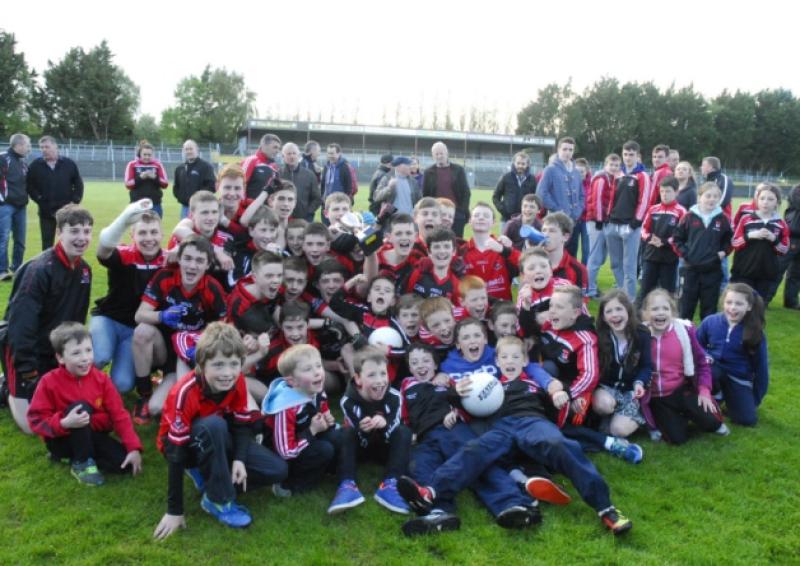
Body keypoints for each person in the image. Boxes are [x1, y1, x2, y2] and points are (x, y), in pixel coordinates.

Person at [399, 334, 634, 536]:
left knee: (560, 444)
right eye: (504, 357)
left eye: (515, 357)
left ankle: (606, 509)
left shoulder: (533, 380)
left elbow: (557, 408)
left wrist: (559, 398)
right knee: (474, 450)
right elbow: (466, 403)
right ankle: (431, 491)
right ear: (497, 361)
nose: (510, 361)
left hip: (532, 422)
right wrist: (455, 402)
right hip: (501, 428)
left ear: (524, 360)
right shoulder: (489, 384)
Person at [153, 322, 288, 538]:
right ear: (201, 364)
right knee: (213, 425)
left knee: (277, 470)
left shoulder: (238, 381)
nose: (227, 373)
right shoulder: (184, 392)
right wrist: (174, 511)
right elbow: (174, 452)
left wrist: (240, 460)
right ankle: (217, 499)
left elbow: (242, 424)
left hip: (219, 436)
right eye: (218, 365)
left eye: (234, 364)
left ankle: (212, 479)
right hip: (184, 448)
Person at [397, 342, 538, 536]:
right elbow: (403, 414)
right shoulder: (406, 386)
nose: (421, 366)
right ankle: (439, 513)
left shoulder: (448, 383)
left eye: (426, 361)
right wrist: (409, 431)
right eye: (414, 362)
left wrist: (455, 410)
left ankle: (512, 504)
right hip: (423, 437)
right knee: (421, 467)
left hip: (451, 428)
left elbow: (467, 400)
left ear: (435, 364)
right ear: (410, 367)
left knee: (473, 460)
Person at [2, 205, 93, 433]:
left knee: (62, 404)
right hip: (22, 349)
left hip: (53, 351)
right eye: (74, 231)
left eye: (86, 231)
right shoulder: (39, 270)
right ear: (59, 233)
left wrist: (72, 356)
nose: (81, 238)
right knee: (32, 427)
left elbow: (76, 322)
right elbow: (21, 325)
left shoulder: (85, 271)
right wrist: (28, 369)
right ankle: (5, 386)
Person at [27, 322, 143, 486]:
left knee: (124, 465)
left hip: (92, 434)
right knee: (81, 407)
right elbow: (35, 419)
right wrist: (63, 423)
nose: (85, 358)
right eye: (76, 353)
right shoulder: (48, 382)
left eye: (88, 350)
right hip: (62, 440)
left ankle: (78, 458)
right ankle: (81, 463)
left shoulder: (102, 379)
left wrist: (133, 448)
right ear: (60, 357)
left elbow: (119, 415)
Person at [132, 235, 227, 425]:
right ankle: (144, 393)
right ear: (180, 259)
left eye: (199, 261)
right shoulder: (165, 276)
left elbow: (224, 326)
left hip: (188, 353)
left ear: (208, 265)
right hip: (164, 348)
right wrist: (162, 315)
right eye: (188, 259)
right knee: (142, 331)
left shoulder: (212, 288)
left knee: (156, 408)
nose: (192, 266)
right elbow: (139, 315)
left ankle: (173, 387)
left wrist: (202, 340)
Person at [91, 201, 164, 394]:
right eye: (142, 233)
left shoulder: (167, 262)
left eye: (154, 232)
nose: (149, 238)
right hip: (109, 319)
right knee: (99, 356)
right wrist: (124, 219)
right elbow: (103, 251)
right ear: (132, 236)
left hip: (134, 332)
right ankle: (67, 386)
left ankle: (107, 376)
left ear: (162, 235)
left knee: (122, 385)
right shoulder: (124, 254)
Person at [329, 346, 412, 515]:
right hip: (361, 448)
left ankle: (391, 484)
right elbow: (358, 435)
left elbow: (394, 426)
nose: (380, 380)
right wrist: (364, 429)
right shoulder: (348, 401)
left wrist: (384, 424)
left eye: (383, 373)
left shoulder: (395, 396)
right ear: (358, 379)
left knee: (404, 432)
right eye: (372, 375)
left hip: (384, 446)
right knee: (345, 433)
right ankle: (347, 485)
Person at [640, 289, 729, 444]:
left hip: (682, 390)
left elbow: (702, 362)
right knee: (677, 439)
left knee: (712, 423)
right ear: (646, 314)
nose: (660, 313)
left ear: (672, 312)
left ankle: (697, 412)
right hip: (657, 397)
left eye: (665, 308)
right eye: (655, 309)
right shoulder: (641, 334)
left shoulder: (684, 331)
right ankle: (677, 416)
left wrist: (704, 391)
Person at [262, 344, 341, 496]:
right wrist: (312, 431)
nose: (317, 372)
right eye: (308, 369)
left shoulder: (317, 392)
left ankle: (330, 470)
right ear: (293, 382)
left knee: (339, 436)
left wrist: (328, 421)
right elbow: (285, 452)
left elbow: (324, 411)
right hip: (283, 456)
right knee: (324, 449)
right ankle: (288, 486)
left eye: (318, 366)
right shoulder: (285, 408)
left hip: (304, 438)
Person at [697, 283, 768, 426]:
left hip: (738, 378)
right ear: (723, 302)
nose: (732, 308)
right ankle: (715, 394)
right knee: (713, 370)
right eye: (729, 302)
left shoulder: (755, 333)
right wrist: (706, 355)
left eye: (739, 304)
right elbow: (696, 346)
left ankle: (729, 397)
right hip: (713, 371)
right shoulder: (710, 322)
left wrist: (754, 400)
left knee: (747, 420)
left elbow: (761, 370)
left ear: (749, 307)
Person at [593, 290, 652, 439]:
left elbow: (646, 366)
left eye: (619, 309)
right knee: (603, 405)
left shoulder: (642, 334)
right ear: (604, 318)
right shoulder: (599, 335)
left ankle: (628, 418)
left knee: (618, 431)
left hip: (629, 391)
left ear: (628, 311)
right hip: (606, 388)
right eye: (609, 311)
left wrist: (639, 383)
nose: (615, 315)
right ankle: (608, 416)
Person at [673, 182, 733, 321]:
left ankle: (707, 340)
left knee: (709, 309)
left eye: (715, 196)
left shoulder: (723, 219)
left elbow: (730, 240)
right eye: (708, 196)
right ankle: (684, 338)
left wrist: (723, 252)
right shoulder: (688, 217)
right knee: (686, 308)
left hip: (712, 270)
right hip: (690, 270)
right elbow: (676, 239)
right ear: (700, 197)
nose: (712, 199)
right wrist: (687, 254)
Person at [604, 141, 651, 299]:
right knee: (615, 264)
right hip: (613, 225)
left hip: (630, 227)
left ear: (638, 156)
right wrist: (608, 217)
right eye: (625, 154)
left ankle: (630, 301)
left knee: (629, 267)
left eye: (631, 154)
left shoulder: (642, 176)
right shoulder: (619, 174)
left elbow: (644, 201)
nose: (628, 157)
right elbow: (612, 198)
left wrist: (635, 223)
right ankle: (622, 294)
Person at [731, 183, 790, 300]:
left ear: (777, 202)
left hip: (765, 274)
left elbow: (784, 249)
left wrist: (774, 239)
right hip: (744, 272)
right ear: (757, 200)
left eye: (770, 199)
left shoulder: (780, 224)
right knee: (742, 304)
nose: (765, 202)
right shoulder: (746, 219)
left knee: (758, 307)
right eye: (762, 198)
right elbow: (734, 242)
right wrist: (749, 236)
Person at [26, 135, 84, 250]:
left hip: (66, 211)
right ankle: (48, 265)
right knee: (47, 243)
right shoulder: (35, 165)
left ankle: (67, 265)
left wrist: (74, 202)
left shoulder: (69, 164)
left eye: (47, 147)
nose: (44, 150)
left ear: (55, 146)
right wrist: (39, 199)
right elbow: (30, 186)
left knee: (68, 241)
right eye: (41, 147)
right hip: (46, 211)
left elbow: (78, 184)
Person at [536, 137, 584, 257]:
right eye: (565, 149)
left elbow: (582, 195)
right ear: (558, 150)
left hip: (573, 221)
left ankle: (569, 277)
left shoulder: (576, 172)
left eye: (570, 150)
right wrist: (557, 209)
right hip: (555, 221)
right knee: (553, 253)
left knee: (571, 255)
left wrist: (577, 212)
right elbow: (541, 193)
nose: (567, 152)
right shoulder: (550, 170)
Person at [639, 176, 687, 298]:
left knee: (667, 293)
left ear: (676, 192)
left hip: (669, 259)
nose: (664, 194)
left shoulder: (681, 211)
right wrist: (650, 238)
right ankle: (641, 316)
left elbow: (681, 234)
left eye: (668, 191)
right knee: (645, 292)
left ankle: (668, 316)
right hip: (650, 256)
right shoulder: (653, 209)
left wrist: (665, 242)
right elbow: (643, 229)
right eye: (662, 191)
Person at [463, 202, 520, 301]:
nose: (481, 218)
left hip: (501, 309)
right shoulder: (463, 251)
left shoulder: (503, 246)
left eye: (486, 216)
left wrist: (506, 250)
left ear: (494, 222)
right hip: (474, 308)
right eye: (476, 215)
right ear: (469, 221)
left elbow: (524, 263)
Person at [585, 154, 620, 298]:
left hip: (603, 221)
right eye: (611, 165)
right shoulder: (601, 179)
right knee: (595, 257)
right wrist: (599, 219)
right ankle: (589, 290)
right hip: (597, 222)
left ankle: (590, 287)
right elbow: (598, 200)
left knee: (600, 257)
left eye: (616, 165)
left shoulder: (613, 179)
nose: (614, 168)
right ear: (605, 165)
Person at [0, 132, 32, 279]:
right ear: (18, 145)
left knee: (20, 240)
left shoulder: (23, 163)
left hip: (21, 207)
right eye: (27, 145)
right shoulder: (3, 158)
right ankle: (2, 271)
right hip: (5, 206)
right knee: (3, 238)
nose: (29, 148)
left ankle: (17, 268)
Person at [422, 142, 471, 237]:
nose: (439, 156)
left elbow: (466, 192)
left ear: (447, 153)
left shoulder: (458, 170)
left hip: (456, 214)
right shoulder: (428, 172)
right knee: (436, 240)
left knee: (456, 241)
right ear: (433, 156)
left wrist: (462, 210)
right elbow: (425, 195)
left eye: (441, 153)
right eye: (436, 154)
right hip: (436, 214)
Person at [172, 139, 216, 219]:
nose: (189, 151)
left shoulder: (206, 167)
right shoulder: (180, 168)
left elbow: (211, 186)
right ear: (183, 151)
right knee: (186, 230)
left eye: (191, 149)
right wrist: (182, 198)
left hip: (201, 208)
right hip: (185, 208)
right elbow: (176, 187)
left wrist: (197, 198)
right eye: (186, 149)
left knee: (199, 231)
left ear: (197, 149)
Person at [492, 152, 536, 230]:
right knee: (504, 241)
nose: (520, 166)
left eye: (523, 164)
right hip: (506, 220)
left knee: (522, 242)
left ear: (527, 165)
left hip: (525, 221)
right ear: (514, 163)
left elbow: (536, 199)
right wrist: (503, 210)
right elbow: (495, 196)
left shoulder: (532, 180)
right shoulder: (506, 177)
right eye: (518, 163)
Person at [124, 140, 169, 218]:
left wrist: (155, 177)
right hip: (136, 204)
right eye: (145, 154)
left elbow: (165, 184)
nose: (147, 157)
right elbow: (128, 184)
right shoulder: (132, 165)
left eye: (149, 155)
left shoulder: (158, 165)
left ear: (152, 155)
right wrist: (140, 178)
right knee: (136, 229)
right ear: (140, 154)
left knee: (155, 228)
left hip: (155, 204)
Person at [280, 142, 321, 222]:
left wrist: (308, 212)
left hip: (303, 220)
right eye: (288, 154)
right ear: (283, 157)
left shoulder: (309, 175)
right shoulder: (278, 174)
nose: (292, 156)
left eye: (294, 153)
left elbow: (317, 198)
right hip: (282, 219)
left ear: (298, 156)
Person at [774, 184, 800, 309]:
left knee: (796, 273)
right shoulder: (797, 190)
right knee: (778, 269)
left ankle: (791, 301)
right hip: (793, 236)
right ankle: (764, 299)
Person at [242, 133, 281, 199]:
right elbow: (240, 185)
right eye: (275, 147)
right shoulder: (251, 160)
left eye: (279, 148)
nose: (277, 151)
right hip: (250, 208)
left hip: (268, 208)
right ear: (264, 146)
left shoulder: (274, 167)